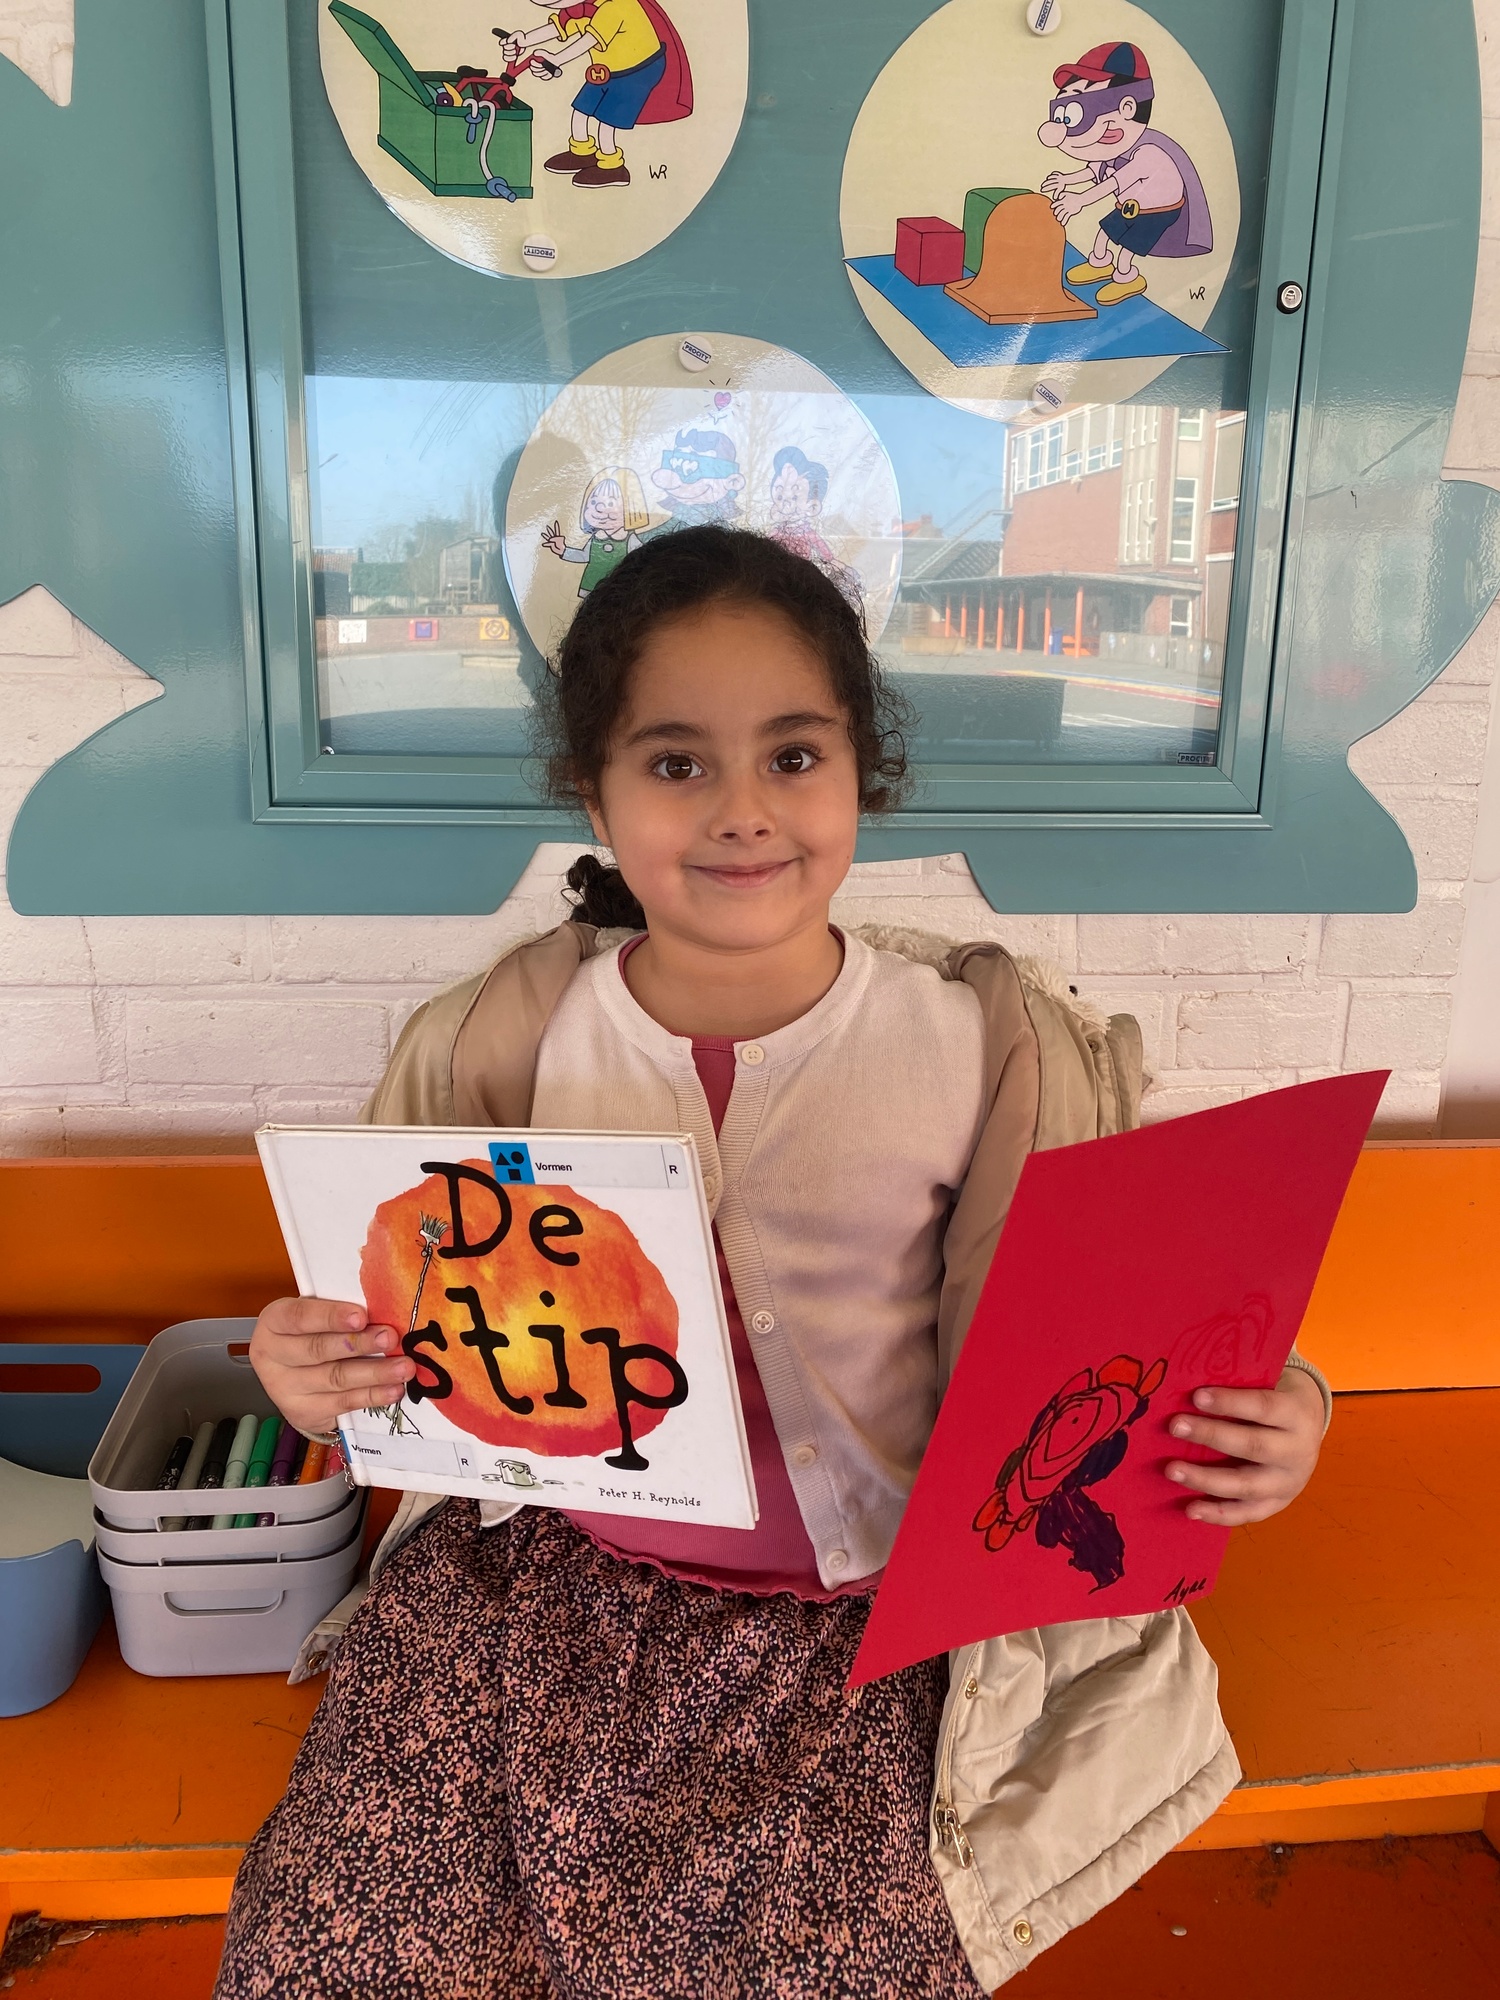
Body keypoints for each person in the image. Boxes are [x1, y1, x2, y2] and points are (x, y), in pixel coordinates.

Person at [215, 527, 1330, 1998]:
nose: (743, 810)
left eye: (794, 756)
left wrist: (1281, 1403)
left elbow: (1135, 1320)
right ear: (595, 792)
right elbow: (395, 1350)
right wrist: (314, 1374)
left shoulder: (981, 1042)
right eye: (677, 762)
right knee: (343, 1943)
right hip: (552, 1595)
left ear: (863, 772)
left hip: (868, 1639)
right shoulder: (507, 1043)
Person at [1037, 41, 1213, 306]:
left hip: (1157, 212)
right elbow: (1093, 171)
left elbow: (1112, 183)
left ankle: (1126, 277)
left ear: (1127, 108)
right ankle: (1099, 263)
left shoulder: (1148, 154)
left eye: (1079, 111)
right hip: (1129, 206)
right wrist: (1066, 179)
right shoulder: (1113, 150)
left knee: (1127, 249)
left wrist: (1080, 200)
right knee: (1105, 233)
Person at [541, 466, 652, 596]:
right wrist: (563, 550)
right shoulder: (597, 537)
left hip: (620, 589)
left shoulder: (630, 540)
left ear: (631, 507)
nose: (600, 508)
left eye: (611, 504)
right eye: (593, 502)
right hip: (591, 586)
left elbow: (644, 560)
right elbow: (584, 556)